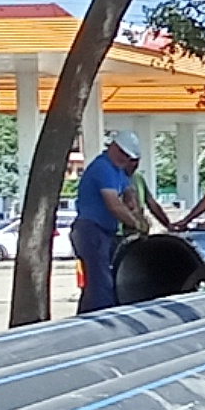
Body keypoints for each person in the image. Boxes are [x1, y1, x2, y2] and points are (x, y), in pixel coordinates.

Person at [70, 131, 152, 313]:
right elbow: (114, 205)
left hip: (103, 232)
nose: (126, 160)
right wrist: (136, 223)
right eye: (124, 155)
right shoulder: (103, 168)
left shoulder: (117, 170)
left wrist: (133, 204)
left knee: (99, 280)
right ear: (114, 148)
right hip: (91, 231)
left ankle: (86, 318)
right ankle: (103, 321)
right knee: (101, 283)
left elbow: (128, 190)